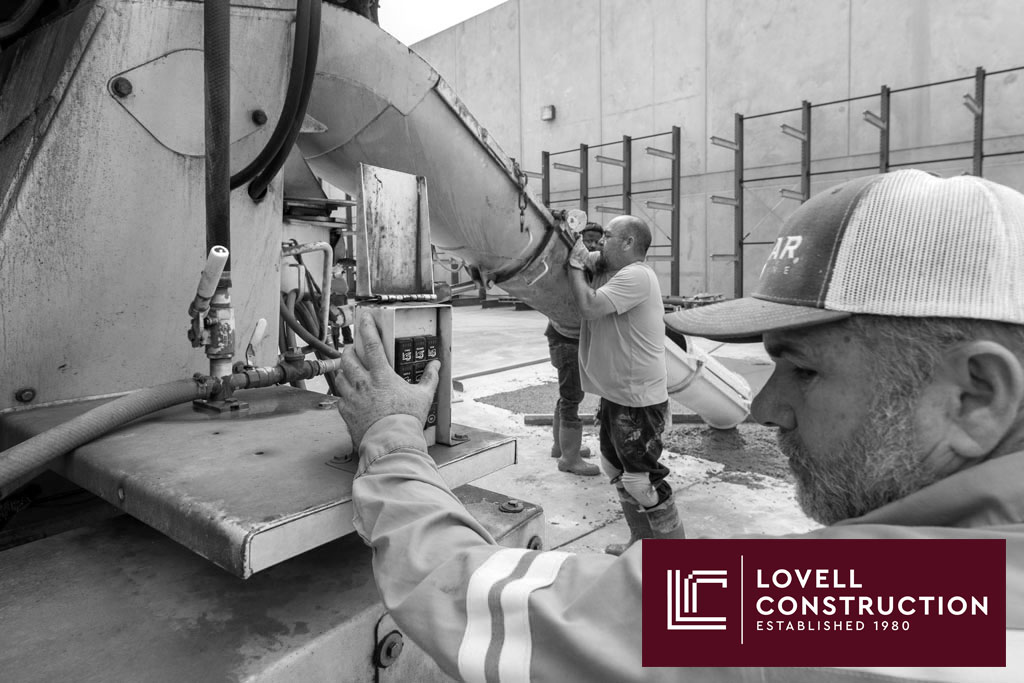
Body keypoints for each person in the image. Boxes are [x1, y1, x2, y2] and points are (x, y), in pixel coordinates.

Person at [341, 169, 1024, 682]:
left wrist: (392, 439)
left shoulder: (906, 601)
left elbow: (483, 602)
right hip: (619, 401)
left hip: (631, 406)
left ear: (976, 396)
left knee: (645, 481)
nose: (762, 407)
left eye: (805, 370)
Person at [567, 214, 684, 553]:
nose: (600, 241)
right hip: (617, 396)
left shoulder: (636, 276)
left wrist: (576, 267)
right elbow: (584, 256)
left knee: (642, 481)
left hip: (639, 402)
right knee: (615, 468)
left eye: (608, 235)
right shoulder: (613, 269)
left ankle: (676, 562)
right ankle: (640, 544)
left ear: (629, 243)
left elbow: (588, 306)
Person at [543, 222, 602, 477]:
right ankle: (570, 458)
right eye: (588, 239)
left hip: (561, 336)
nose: (592, 244)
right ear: (580, 238)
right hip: (566, 339)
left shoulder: (586, 262)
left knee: (566, 395)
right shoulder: (575, 259)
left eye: (596, 241)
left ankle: (560, 446)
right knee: (572, 398)